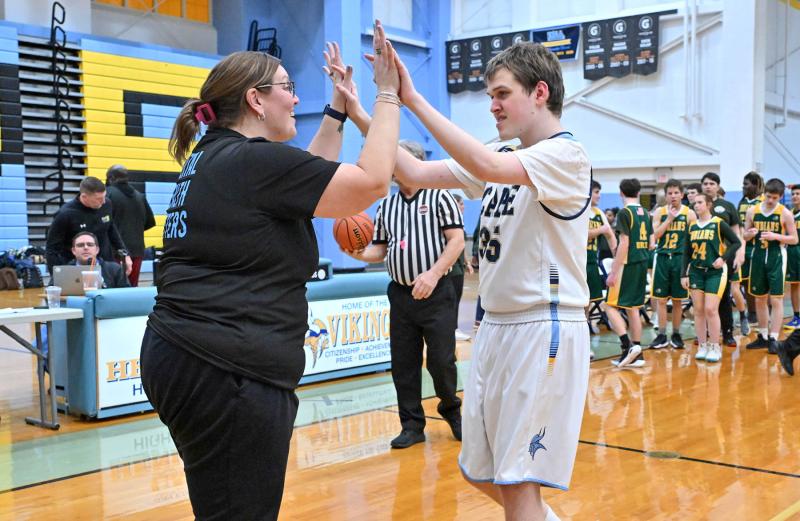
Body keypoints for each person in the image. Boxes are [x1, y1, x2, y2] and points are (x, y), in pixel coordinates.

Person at [140, 25, 401, 521]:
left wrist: (338, 111)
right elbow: (370, 182)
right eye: (287, 88)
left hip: (187, 354)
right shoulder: (249, 161)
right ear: (256, 100)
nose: (295, 98)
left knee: (224, 505)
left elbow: (304, 182)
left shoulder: (217, 156)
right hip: (225, 364)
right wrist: (388, 95)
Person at [342, 40, 591, 521]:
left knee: (518, 484)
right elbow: (411, 168)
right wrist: (362, 107)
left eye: (502, 94)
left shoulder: (566, 155)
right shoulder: (501, 153)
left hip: (543, 327)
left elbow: (488, 167)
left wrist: (411, 97)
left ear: (540, 93)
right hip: (495, 328)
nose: (492, 105)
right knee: (478, 470)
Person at [345, 139, 464, 449]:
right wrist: (359, 253)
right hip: (400, 294)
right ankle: (411, 425)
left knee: (440, 361)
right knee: (403, 364)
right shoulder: (387, 205)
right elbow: (380, 250)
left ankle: (451, 409)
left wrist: (433, 273)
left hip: (437, 291)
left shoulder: (440, 196)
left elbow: (457, 242)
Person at [682, 193, 741, 362]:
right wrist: (683, 274)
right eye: (695, 203)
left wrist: (723, 258)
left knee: (710, 309)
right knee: (698, 311)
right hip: (696, 271)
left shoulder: (718, 223)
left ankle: (715, 346)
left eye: (700, 202)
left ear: (709, 205)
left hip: (715, 272)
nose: (696, 205)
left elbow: (736, 242)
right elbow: (686, 253)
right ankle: (702, 345)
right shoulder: (692, 226)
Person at [743, 178, 798, 353]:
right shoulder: (753, 211)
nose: (770, 200)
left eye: (774, 197)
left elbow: (795, 239)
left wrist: (776, 236)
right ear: (764, 194)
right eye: (768, 196)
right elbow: (744, 236)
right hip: (758, 256)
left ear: (780, 197)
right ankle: (763, 335)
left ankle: (774, 337)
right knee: (759, 298)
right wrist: (749, 234)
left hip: (777, 257)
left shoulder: (785, 213)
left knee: (776, 299)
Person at [606, 178, 652, 368]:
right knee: (633, 308)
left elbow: (624, 243)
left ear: (621, 193)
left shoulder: (625, 212)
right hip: (642, 262)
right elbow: (651, 243)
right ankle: (637, 353)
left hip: (628, 264)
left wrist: (613, 272)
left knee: (609, 306)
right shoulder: (646, 213)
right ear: (639, 192)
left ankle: (626, 346)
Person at [45, 176, 132, 276]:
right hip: (76, 269)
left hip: (104, 264)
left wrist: (125, 255)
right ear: (84, 196)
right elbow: (51, 249)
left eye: (104, 196)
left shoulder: (106, 204)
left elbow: (112, 230)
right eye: (98, 199)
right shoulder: (65, 214)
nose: (103, 201)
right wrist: (57, 277)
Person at [649, 180, 695, 349]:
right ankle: (661, 334)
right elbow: (655, 235)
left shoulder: (689, 213)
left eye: (676, 193)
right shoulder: (659, 212)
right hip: (661, 258)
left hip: (680, 259)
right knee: (660, 300)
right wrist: (669, 218)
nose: (673, 196)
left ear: (682, 194)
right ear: (666, 195)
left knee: (677, 301)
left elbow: (693, 240)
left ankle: (676, 334)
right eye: (670, 193)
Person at [701, 172, 742, 347]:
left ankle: (727, 333)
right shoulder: (697, 204)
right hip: (702, 259)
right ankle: (705, 334)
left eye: (712, 183)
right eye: (705, 183)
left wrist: (740, 254)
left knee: (723, 297)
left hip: (724, 258)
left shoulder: (727, 206)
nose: (708, 186)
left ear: (718, 186)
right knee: (702, 298)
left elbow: (736, 233)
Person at [105, 164, 156, 286]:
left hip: (114, 252)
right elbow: (150, 223)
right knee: (132, 289)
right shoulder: (140, 196)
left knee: (114, 288)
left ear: (111, 178)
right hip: (137, 250)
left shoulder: (107, 195)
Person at [587, 180, 617, 337]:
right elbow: (581, 234)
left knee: (591, 301)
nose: (599, 195)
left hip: (592, 261)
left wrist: (616, 256)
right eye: (596, 192)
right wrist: (601, 230)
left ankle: (586, 332)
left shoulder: (599, 213)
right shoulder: (579, 210)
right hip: (578, 261)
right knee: (580, 302)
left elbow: (610, 235)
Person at [738, 171, 765, 328]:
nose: (743, 186)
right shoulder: (742, 202)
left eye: (746, 183)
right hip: (742, 247)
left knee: (760, 282)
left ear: (755, 185)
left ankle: (761, 311)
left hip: (758, 247)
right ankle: (752, 312)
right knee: (745, 282)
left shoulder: (762, 201)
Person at [451, 192, 475, 341]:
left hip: (459, 266)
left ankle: (454, 328)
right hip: (451, 268)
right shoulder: (448, 223)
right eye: (461, 204)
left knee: (457, 298)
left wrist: (467, 263)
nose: (463, 206)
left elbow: (461, 246)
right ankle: (452, 329)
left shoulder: (460, 222)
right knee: (451, 299)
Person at [785, 185, 800, 330]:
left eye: (798, 194)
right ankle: (797, 317)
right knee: (794, 285)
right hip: (792, 252)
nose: (795, 196)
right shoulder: (789, 213)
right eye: (793, 193)